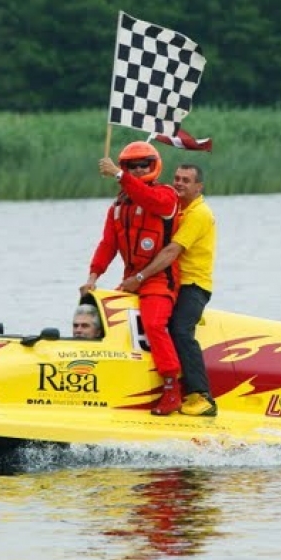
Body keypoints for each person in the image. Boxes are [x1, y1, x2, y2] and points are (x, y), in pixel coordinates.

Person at [80, 141, 184, 415]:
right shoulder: (116, 208)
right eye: (131, 166)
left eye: (143, 165)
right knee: (98, 315)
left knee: (153, 323)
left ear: (154, 166)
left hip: (160, 278)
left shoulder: (166, 196)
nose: (138, 171)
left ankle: (172, 388)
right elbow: (107, 245)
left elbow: (151, 201)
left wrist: (119, 175)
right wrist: (92, 278)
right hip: (130, 280)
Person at [120, 163, 217, 417]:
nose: (179, 183)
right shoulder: (177, 209)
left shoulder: (199, 213)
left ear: (199, 187)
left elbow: (172, 251)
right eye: (176, 178)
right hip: (172, 281)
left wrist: (140, 277)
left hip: (193, 285)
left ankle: (202, 396)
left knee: (180, 330)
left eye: (186, 180)